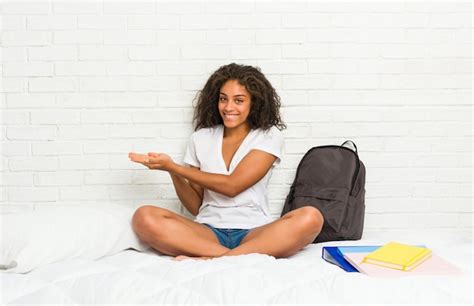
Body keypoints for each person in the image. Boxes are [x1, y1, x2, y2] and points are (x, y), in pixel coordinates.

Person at [128, 63, 324, 261]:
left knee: (311, 217)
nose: (228, 107)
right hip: (208, 231)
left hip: (255, 232)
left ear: (254, 103)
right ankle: (234, 256)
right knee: (144, 217)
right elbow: (196, 206)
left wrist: (174, 166)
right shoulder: (200, 138)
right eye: (223, 99)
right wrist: (172, 172)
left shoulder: (268, 136)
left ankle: (212, 258)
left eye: (239, 100)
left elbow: (232, 186)